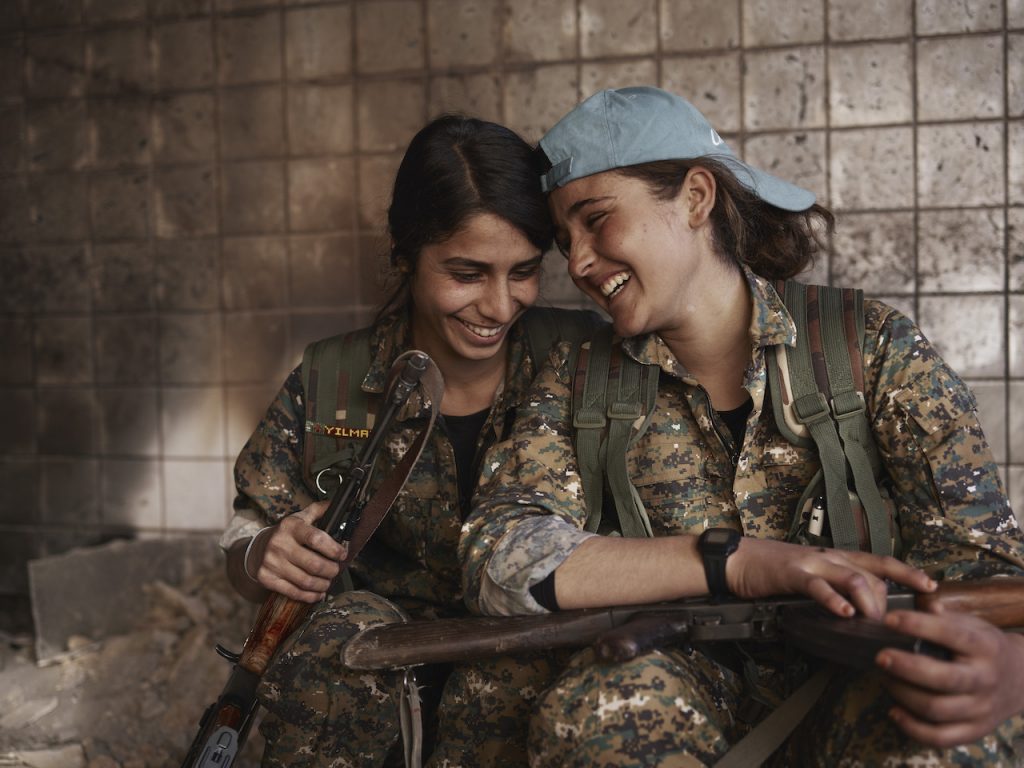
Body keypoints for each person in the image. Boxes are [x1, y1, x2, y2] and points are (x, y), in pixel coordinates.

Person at [459, 86, 1024, 766]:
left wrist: (1012, 668)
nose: (576, 262)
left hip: (863, 683)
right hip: (674, 688)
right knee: (601, 709)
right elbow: (499, 557)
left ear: (697, 198)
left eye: (596, 220)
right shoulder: (576, 379)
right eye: (564, 239)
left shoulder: (867, 348)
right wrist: (733, 563)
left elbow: (983, 565)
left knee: (961, 731)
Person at [220, 114, 602, 767]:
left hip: (522, 676)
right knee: (343, 635)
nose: (501, 305)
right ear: (404, 253)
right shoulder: (333, 377)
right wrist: (262, 555)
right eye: (467, 272)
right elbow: (248, 528)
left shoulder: (584, 356)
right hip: (370, 682)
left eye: (524, 272)